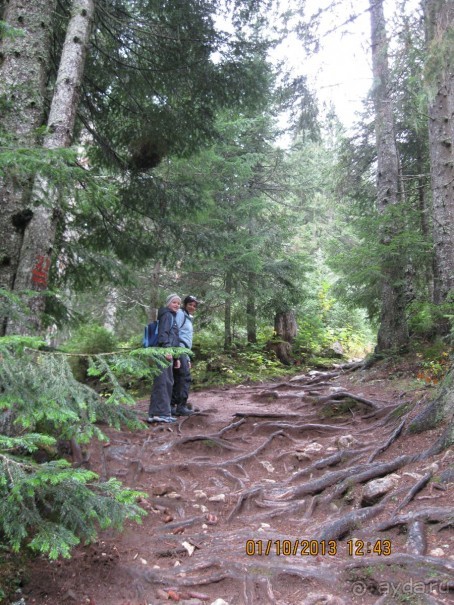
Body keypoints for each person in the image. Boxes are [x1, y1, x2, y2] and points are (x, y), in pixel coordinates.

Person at [147, 293, 181, 423]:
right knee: (163, 382)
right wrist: (167, 349)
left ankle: (155, 413)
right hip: (163, 353)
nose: (177, 305)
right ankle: (161, 413)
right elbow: (163, 335)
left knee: (165, 381)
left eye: (178, 303)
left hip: (167, 352)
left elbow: (174, 339)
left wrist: (176, 357)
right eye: (174, 302)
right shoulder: (167, 315)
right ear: (168, 303)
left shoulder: (171, 316)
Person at [171, 295, 198, 416]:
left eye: (194, 305)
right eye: (190, 304)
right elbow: (175, 332)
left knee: (179, 377)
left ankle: (173, 406)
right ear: (185, 305)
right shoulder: (181, 314)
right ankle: (180, 406)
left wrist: (187, 358)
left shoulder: (188, 317)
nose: (192, 307)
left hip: (184, 351)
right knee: (184, 377)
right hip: (179, 349)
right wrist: (177, 355)